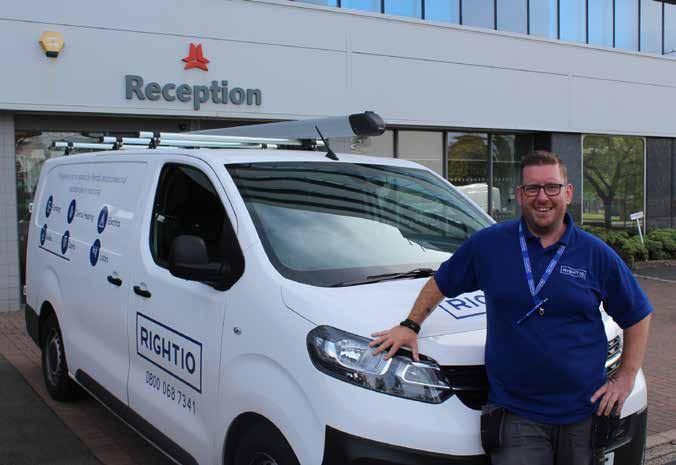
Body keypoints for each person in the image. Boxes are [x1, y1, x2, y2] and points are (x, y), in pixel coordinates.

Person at [369, 150, 652, 465]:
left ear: (568, 193)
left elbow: (638, 314)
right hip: (517, 416)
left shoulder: (595, 254)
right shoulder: (489, 245)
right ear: (519, 195)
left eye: (552, 187)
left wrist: (626, 375)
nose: (542, 197)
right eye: (532, 188)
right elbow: (441, 282)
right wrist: (410, 325)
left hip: (584, 415)